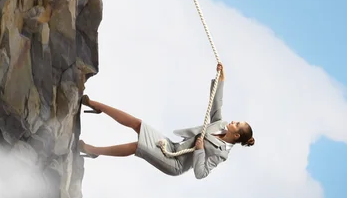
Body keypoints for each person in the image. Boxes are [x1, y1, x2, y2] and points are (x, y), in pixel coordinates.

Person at [79, 63, 255, 179]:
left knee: (137, 146)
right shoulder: (221, 126)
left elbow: (201, 173)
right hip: (172, 147)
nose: (233, 121)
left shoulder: (220, 154)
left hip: (174, 163)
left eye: (236, 124)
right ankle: (95, 105)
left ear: (237, 134)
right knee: (138, 124)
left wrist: (200, 150)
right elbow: (216, 104)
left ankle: (92, 150)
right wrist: (221, 78)